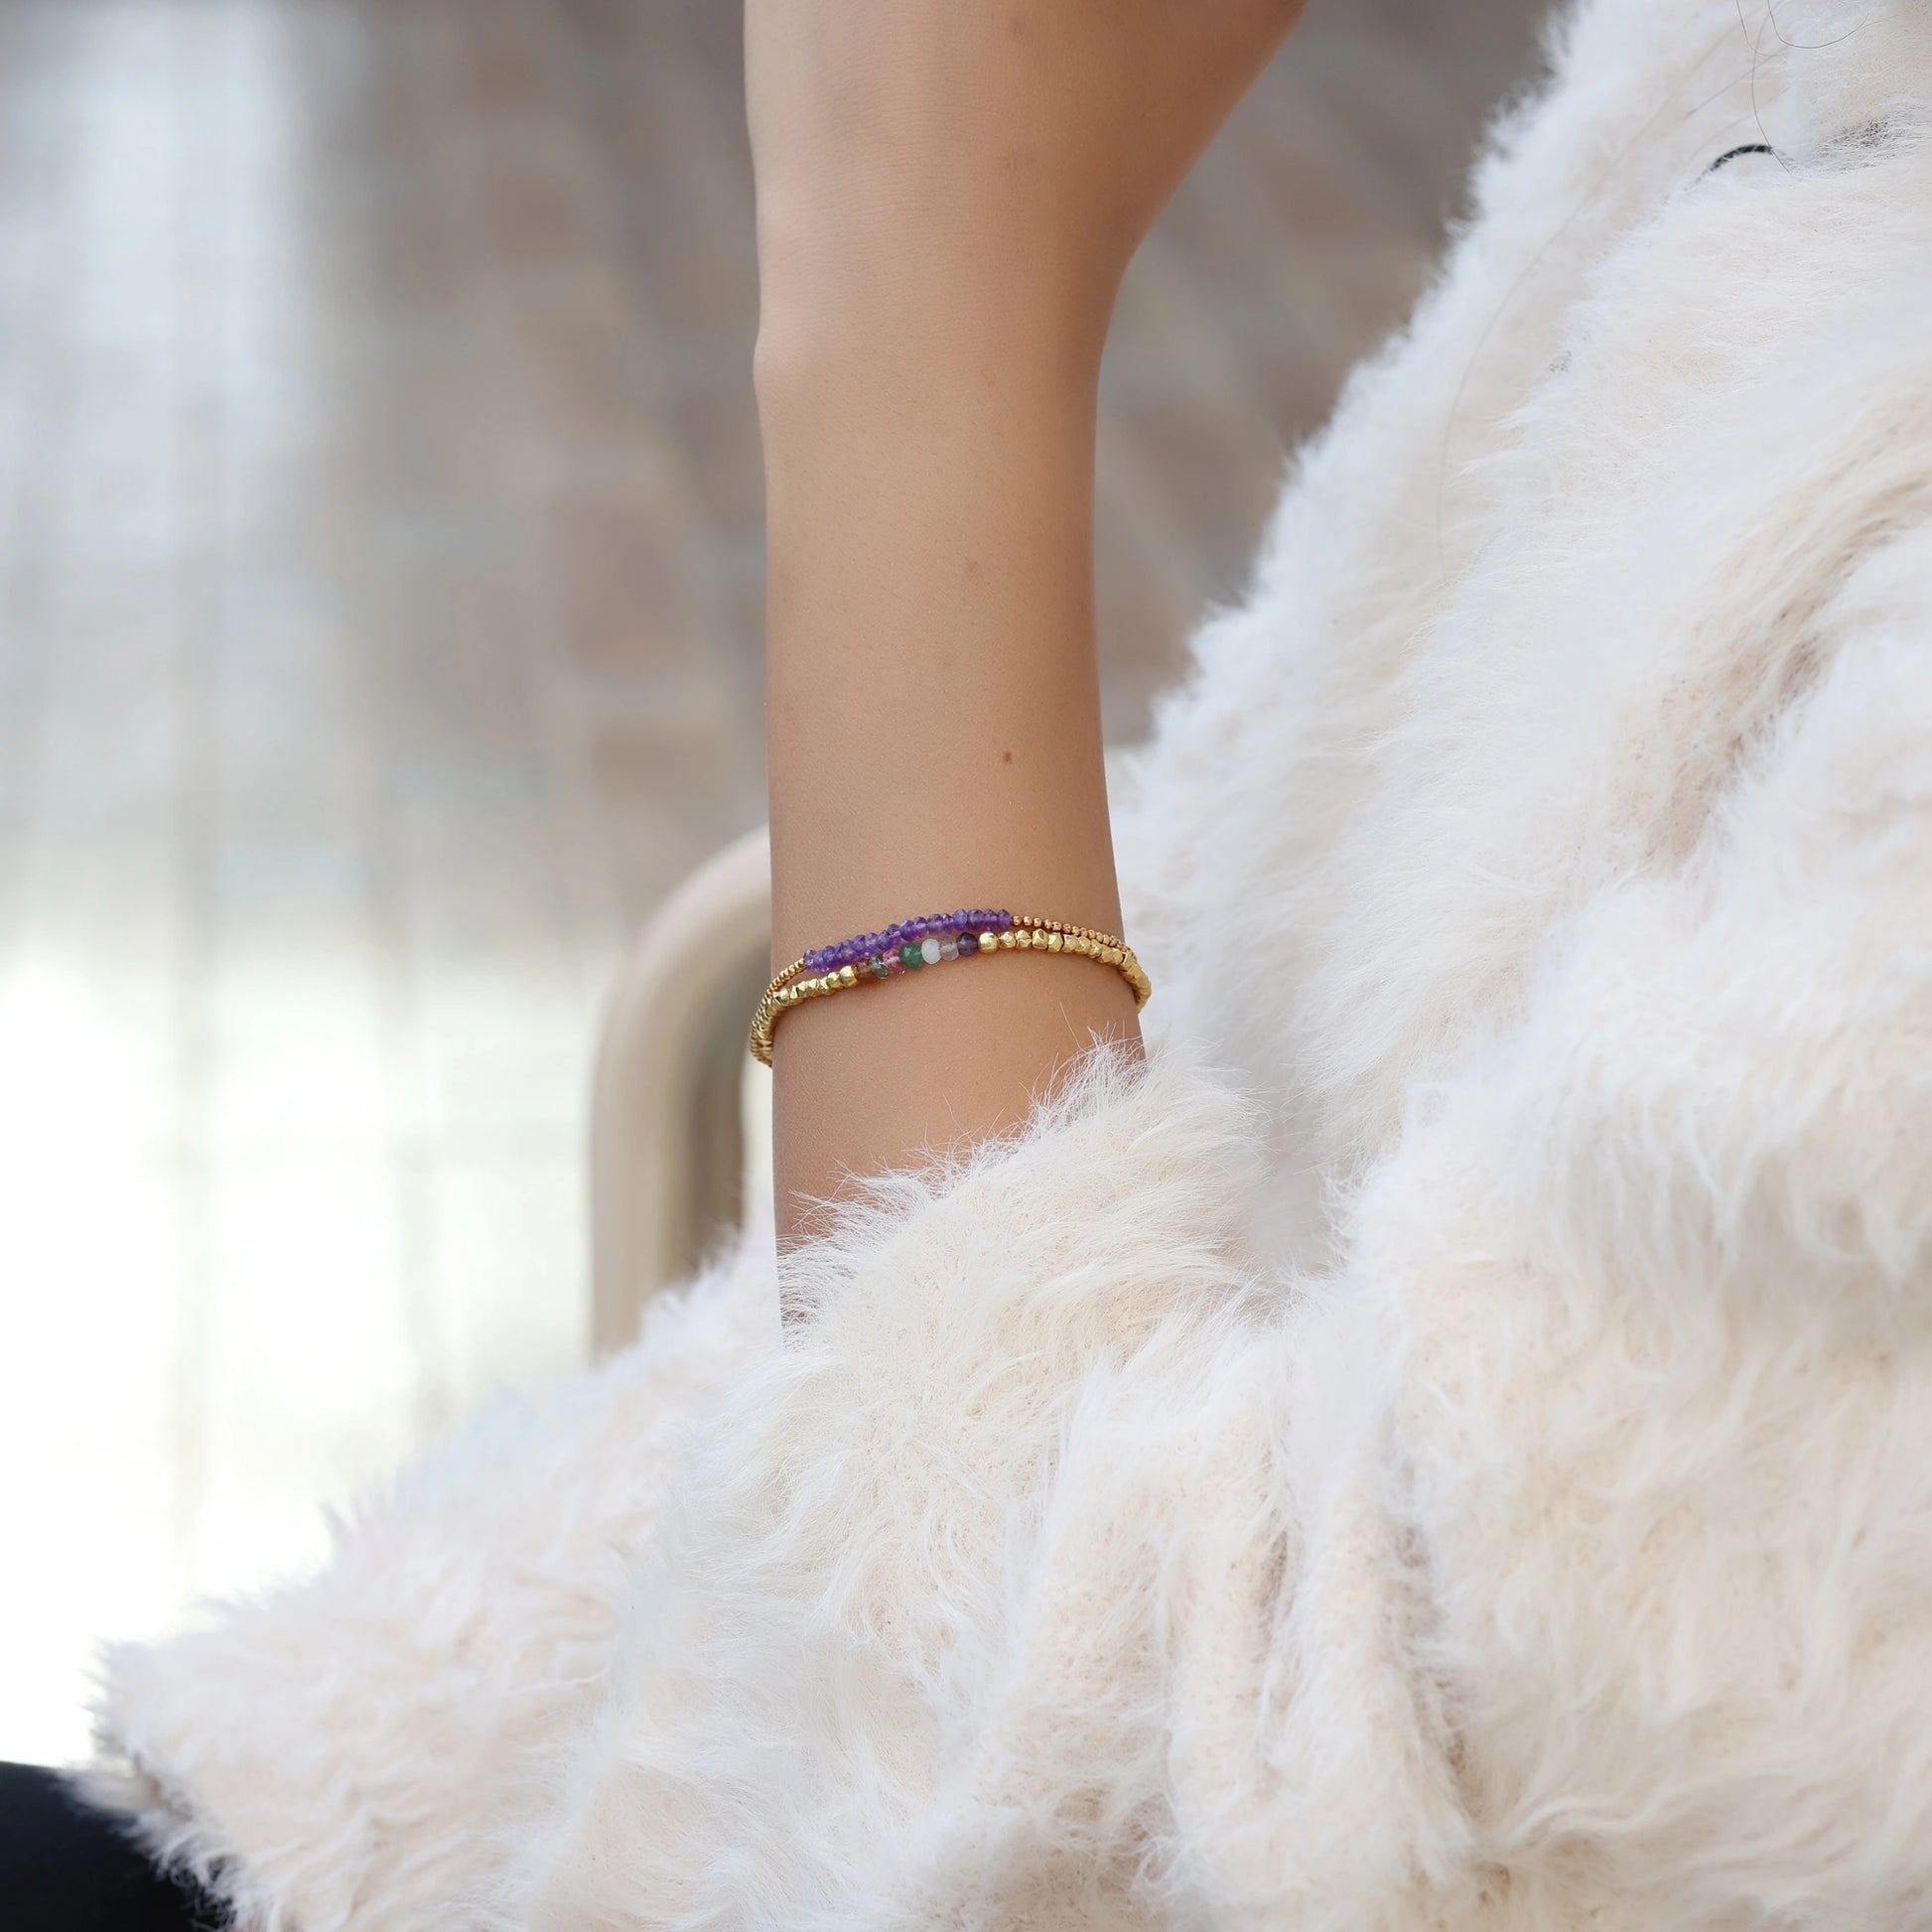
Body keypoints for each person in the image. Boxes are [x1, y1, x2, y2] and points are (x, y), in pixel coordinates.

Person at [23, 0, 1932, 1923]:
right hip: (478, 1768)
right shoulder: (1795, 69)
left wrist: (912, 309)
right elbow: (1235, 949)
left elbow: (1128, 1858)